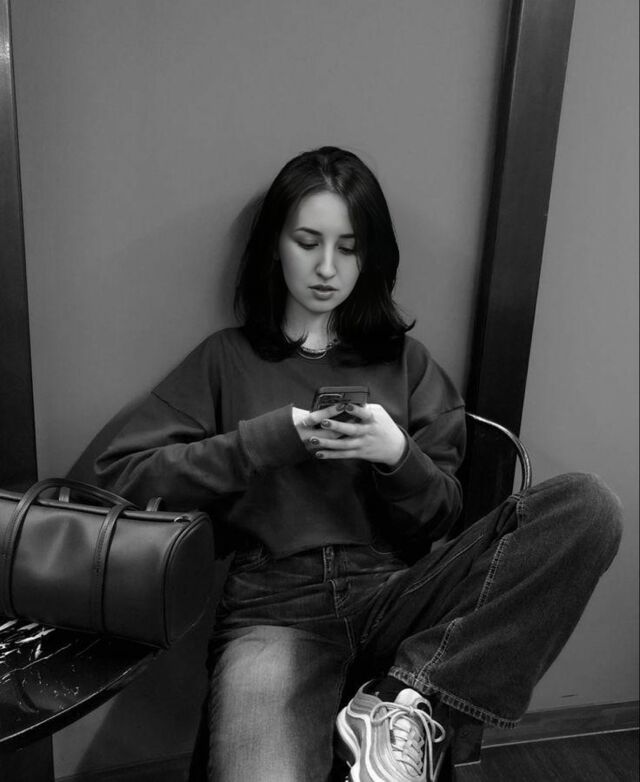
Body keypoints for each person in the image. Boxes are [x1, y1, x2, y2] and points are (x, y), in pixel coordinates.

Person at [94, 146, 623, 782]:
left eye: (348, 248)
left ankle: (403, 697)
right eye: (307, 242)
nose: (326, 267)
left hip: (397, 591)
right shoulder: (225, 359)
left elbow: (441, 516)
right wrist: (269, 440)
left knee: (588, 505)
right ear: (275, 246)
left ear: (370, 257)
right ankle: (402, 703)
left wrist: (396, 455)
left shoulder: (407, 362)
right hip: (274, 608)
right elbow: (122, 479)